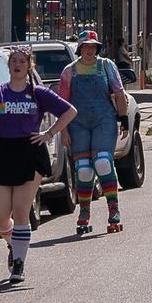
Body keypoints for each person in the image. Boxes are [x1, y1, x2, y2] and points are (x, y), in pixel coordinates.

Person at [0, 47, 77, 283]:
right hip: (2, 153)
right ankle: (14, 244)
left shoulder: (38, 93)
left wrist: (49, 133)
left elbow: (69, 111)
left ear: (29, 65)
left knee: (22, 209)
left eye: (22, 61)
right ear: (9, 66)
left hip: (30, 152)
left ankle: (19, 265)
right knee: (0, 218)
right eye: (13, 61)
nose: (17, 64)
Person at [59, 30, 129, 236]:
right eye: (85, 47)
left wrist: (123, 118)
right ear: (79, 48)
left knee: (103, 162)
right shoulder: (68, 72)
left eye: (93, 47)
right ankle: (84, 212)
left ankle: (113, 209)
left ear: (97, 48)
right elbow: (62, 104)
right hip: (77, 123)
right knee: (83, 169)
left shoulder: (107, 66)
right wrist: (63, 132)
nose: (89, 50)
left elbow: (118, 92)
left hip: (104, 120)